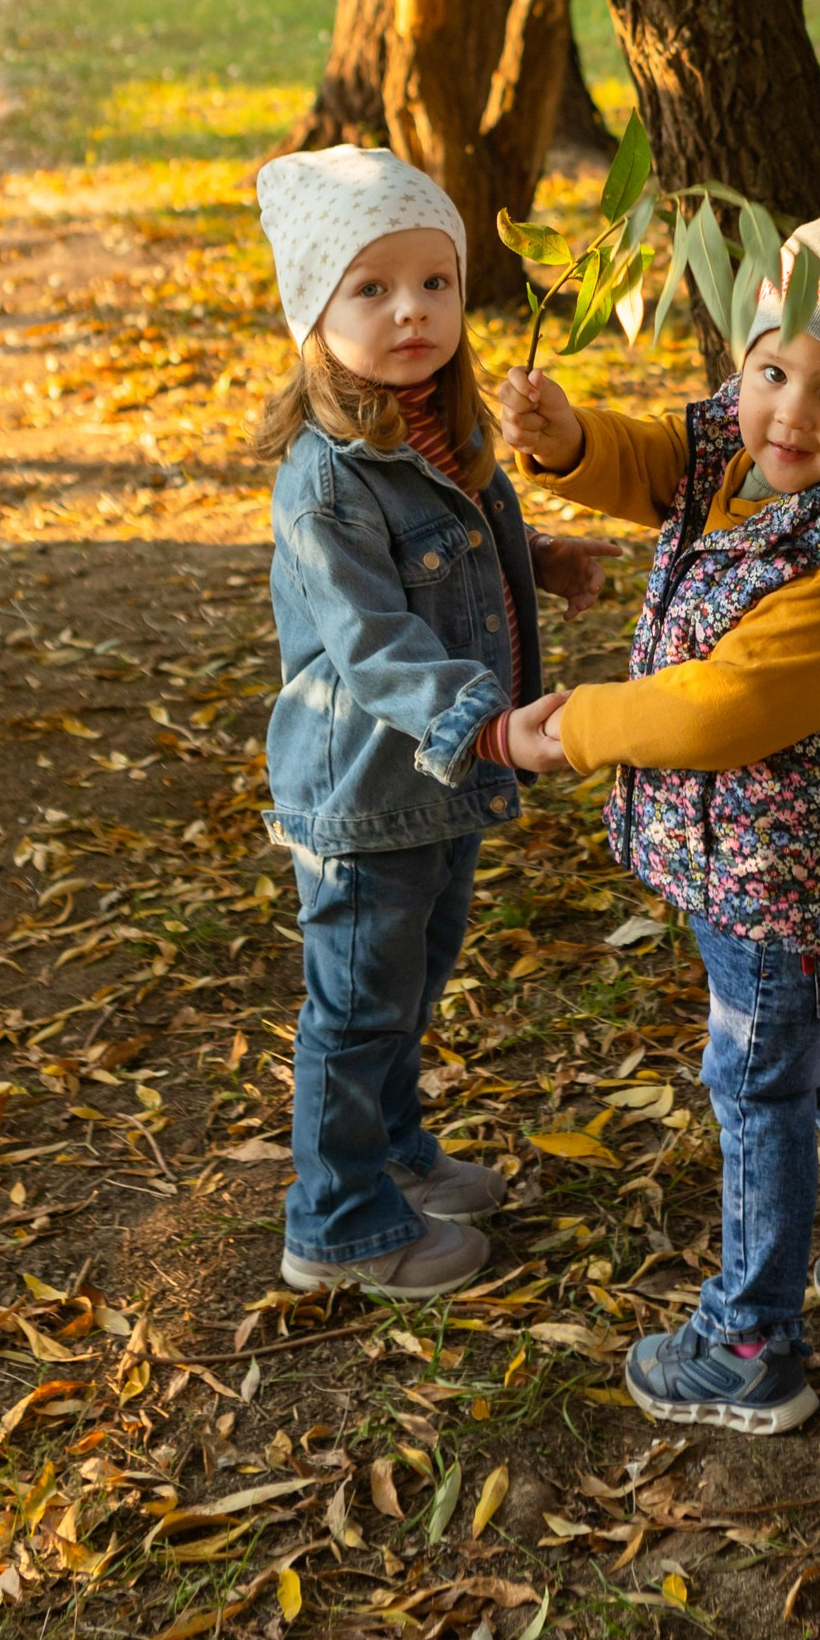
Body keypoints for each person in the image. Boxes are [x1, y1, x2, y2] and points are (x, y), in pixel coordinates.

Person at [499, 191, 820, 1433]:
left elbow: (727, 711)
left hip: (783, 880)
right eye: (773, 369)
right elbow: (665, 463)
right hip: (771, 873)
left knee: (758, 1086)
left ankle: (747, 1341)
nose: (786, 412)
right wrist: (568, 442)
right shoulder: (745, 443)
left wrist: (585, 728)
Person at [254, 145, 606, 1300]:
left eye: (434, 282)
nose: (411, 309)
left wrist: (540, 559)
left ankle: (393, 1155)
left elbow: (452, 557)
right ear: (315, 310)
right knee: (355, 1006)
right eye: (372, 288)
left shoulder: (439, 431)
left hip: (434, 783)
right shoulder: (327, 483)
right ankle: (339, 1221)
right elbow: (372, 642)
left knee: (409, 981)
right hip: (367, 788)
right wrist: (493, 725)